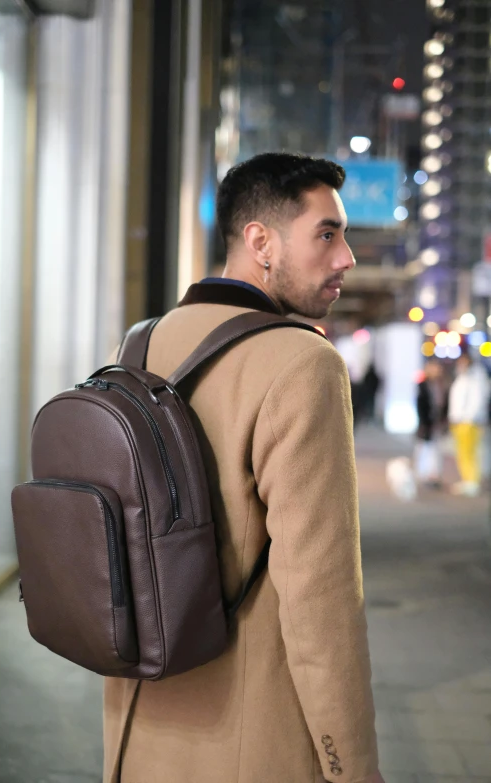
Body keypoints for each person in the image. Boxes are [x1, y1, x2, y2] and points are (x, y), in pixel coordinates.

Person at [104, 153, 382, 783]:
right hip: (248, 738)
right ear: (260, 241)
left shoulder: (142, 343)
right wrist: (352, 766)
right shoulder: (302, 364)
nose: (347, 258)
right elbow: (322, 600)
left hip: (137, 721)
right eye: (327, 233)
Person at [448, 350, 490, 497]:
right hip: (460, 421)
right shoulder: (463, 377)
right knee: (462, 452)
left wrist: (469, 417)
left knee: (469, 452)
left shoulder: (475, 378)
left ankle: (472, 481)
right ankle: (468, 480)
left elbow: (477, 400)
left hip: (468, 422)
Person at [415, 358, 448, 487]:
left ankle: (434, 474)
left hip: (437, 422)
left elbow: (444, 404)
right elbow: (420, 405)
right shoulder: (423, 386)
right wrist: (423, 422)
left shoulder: (442, 385)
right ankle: (423, 474)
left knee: (436, 449)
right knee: (424, 448)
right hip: (427, 423)